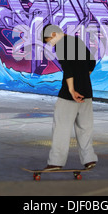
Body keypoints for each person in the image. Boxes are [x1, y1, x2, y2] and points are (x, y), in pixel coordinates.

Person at [42, 24, 98, 171]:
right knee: (85, 127)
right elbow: (92, 62)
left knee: (61, 127)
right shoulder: (77, 41)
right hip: (87, 91)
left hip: (69, 95)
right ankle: (89, 159)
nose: (50, 44)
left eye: (49, 41)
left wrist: (72, 89)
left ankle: (56, 161)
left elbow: (68, 68)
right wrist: (83, 79)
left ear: (54, 34)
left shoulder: (61, 45)